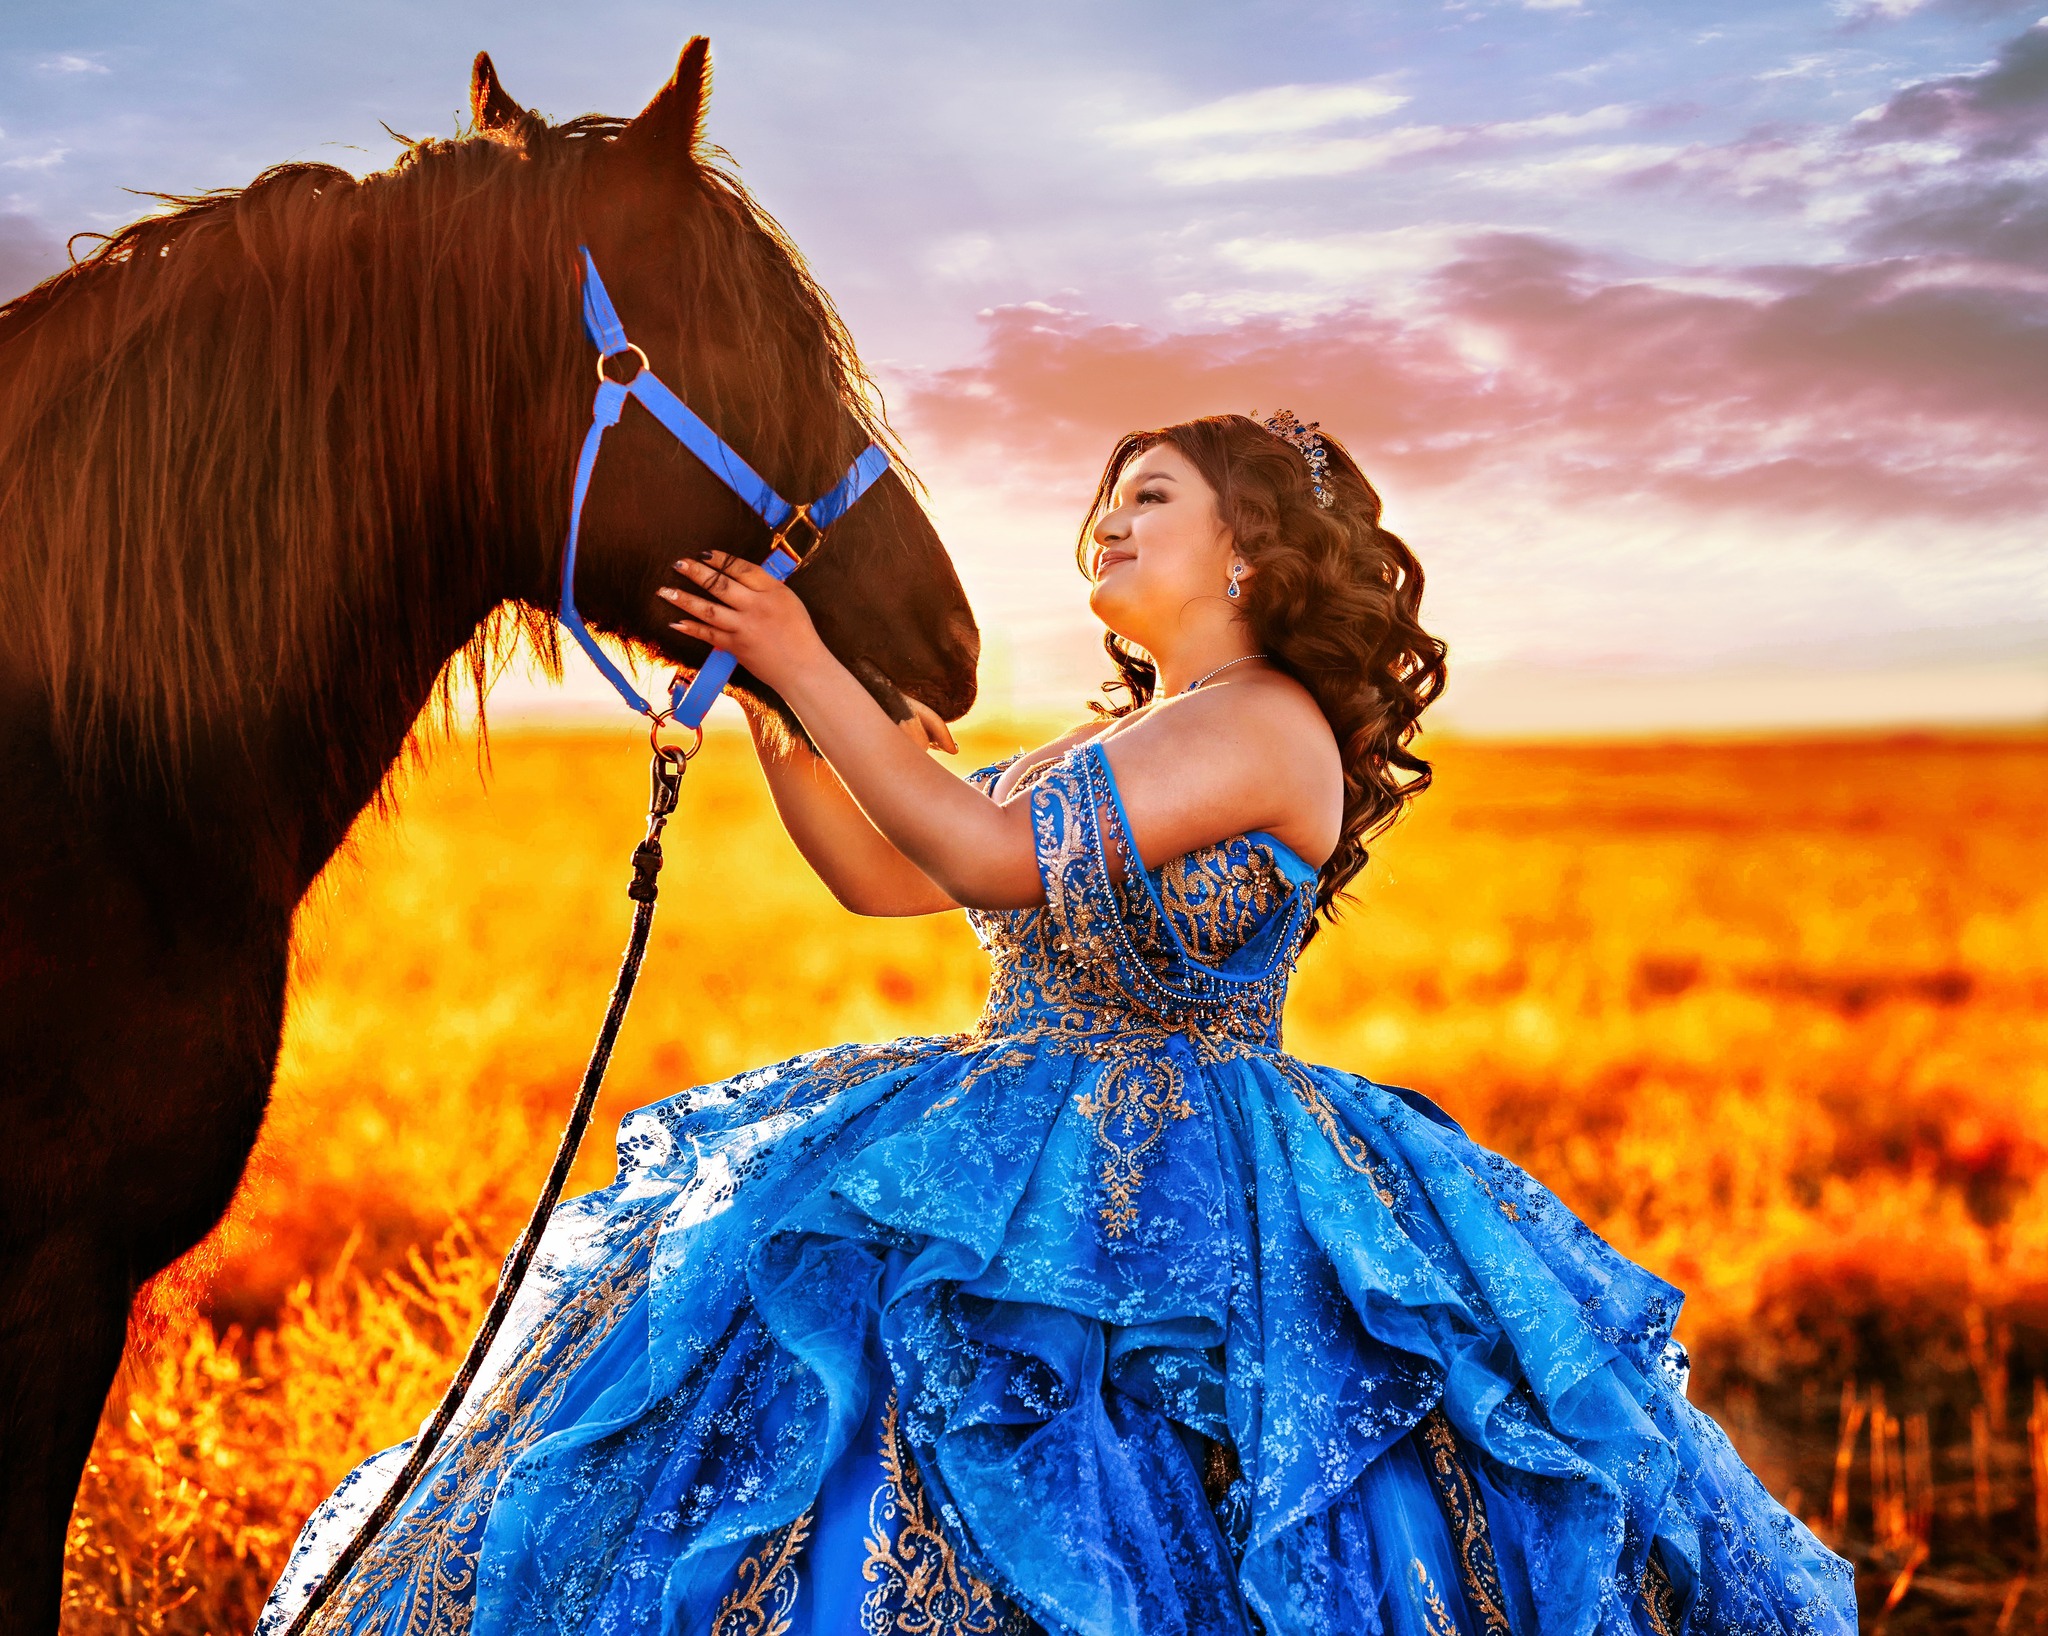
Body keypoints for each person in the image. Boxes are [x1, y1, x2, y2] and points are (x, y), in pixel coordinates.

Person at [262, 413, 1855, 1636]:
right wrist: (774, 719)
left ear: (1249, 551)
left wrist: (807, 656)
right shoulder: (1124, 733)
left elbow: (988, 850)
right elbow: (892, 877)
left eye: (1154, 493)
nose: (1111, 513)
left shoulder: (1265, 724)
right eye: (1107, 491)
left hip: (1207, 1173)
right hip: (1009, 1116)